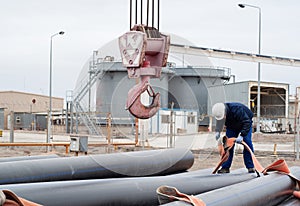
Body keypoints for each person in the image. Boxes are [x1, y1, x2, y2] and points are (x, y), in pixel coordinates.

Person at [212, 102, 255, 173]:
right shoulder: (219, 112)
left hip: (245, 124)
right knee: (228, 146)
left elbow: (247, 122)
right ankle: (225, 167)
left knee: (247, 143)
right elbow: (219, 122)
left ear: (225, 111)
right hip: (232, 127)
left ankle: (250, 167)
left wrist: (242, 135)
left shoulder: (237, 109)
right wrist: (217, 131)